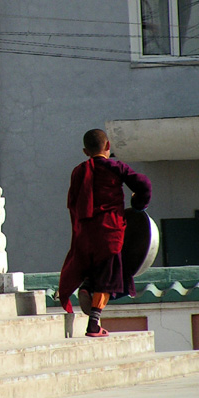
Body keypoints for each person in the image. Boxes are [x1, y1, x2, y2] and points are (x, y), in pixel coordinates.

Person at [58, 129, 151, 337]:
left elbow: (73, 203)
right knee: (108, 278)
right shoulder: (116, 167)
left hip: (85, 232)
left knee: (94, 270)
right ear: (108, 146)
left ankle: (86, 287)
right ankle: (94, 324)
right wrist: (137, 204)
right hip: (109, 230)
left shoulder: (78, 171)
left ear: (85, 151)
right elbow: (144, 185)